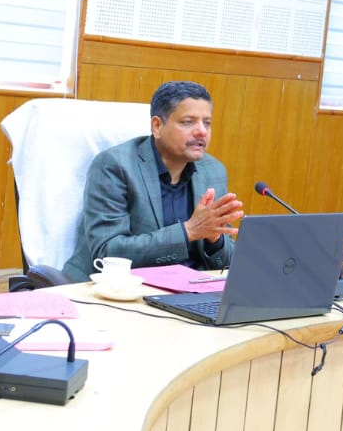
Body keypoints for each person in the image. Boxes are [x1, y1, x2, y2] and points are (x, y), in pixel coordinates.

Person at [64, 81, 243, 281]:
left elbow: (227, 264)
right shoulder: (115, 165)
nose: (202, 131)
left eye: (207, 123)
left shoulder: (213, 171)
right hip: (116, 288)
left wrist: (214, 239)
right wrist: (189, 231)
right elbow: (107, 252)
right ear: (157, 126)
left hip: (189, 288)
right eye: (188, 122)